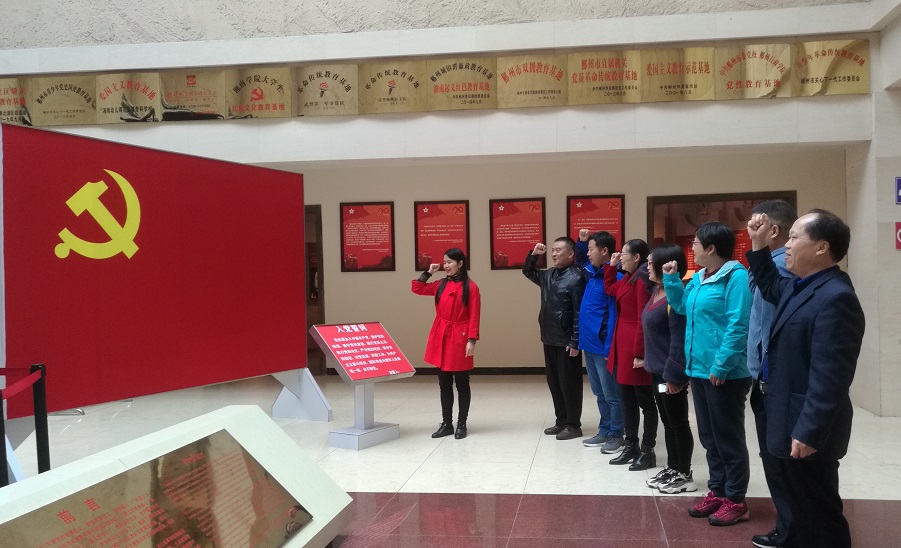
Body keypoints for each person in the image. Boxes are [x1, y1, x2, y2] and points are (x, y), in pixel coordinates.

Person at [746, 209, 864, 548]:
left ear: (821, 247)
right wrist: (758, 244)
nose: (787, 245)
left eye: (794, 238)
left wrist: (809, 430)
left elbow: (831, 376)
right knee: (797, 503)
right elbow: (769, 283)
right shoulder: (801, 287)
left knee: (819, 512)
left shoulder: (835, 297)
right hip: (783, 410)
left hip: (805, 426)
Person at [662, 222, 752, 526]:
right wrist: (672, 279)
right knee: (710, 437)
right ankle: (718, 491)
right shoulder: (700, 277)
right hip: (699, 370)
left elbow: (739, 324)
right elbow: (681, 308)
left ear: (711, 247)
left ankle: (736, 499)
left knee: (728, 437)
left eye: (696, 243)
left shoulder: (736, 277)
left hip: (725, 373)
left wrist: (721, 365)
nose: (692, 248)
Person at [745, 200, 797, 548]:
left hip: (774, 379)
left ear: (771, 229)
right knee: (774, 457)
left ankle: (790, 529)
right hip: (763, 377)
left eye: (755, 226)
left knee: (780, 461)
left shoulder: (781, 269)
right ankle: (789, 525)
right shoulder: (771, 266)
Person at [642, 244, 695, 494]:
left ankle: (684, 473)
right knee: (667, 421)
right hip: (657, 372)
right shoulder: (656, 290)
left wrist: (674, 376)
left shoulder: (675, 297)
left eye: (650, 262)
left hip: (669, 374)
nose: (646, 267)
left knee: (677, 422)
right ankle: (673, 468)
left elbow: (678, 339)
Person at [412, 248, 481, 440]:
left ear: (460, 264)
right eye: (444, 262)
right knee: (444, 383)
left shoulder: (471, 288)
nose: (446, 265)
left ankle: (462, 424)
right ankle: (447, 423)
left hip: (460, 337)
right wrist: (428, 273)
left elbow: (474, 316)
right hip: (441, 336)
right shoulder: (440, 284)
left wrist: (471, 340)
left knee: (462, 383)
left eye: (450, 262)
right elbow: (417, 288)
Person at [523, 237, 587, 440]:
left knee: (569, 384)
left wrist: (575, 341)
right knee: (555, 383)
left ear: (571, 254)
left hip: (567, 341)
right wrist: (534, 255)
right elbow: (528, 272)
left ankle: (573, 425)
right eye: (552, 250)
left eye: (558, 250)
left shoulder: (577, 277)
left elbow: (578, 312)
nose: (553, 254)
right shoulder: (549, 274)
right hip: (549, 337)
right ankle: (561, 421)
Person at [604, 239, 658, 471]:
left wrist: (639, 353)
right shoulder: (628, 278)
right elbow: (610, 289)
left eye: (624, 253)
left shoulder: (642, 280)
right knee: (627, 400)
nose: (620, 257)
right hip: (622, 346)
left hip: (635, 349)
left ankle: (647, 449)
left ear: (637, 257)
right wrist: (610, 267)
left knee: (645, 402)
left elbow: (642, 319)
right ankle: (631, 445)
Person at [574, 230, 625, 454]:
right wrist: (582, 242)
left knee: (612, 394)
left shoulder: (615, 278)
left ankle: (617, 434)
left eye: (591, 249)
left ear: (605, 251)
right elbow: (580, 259)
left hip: (604, 346)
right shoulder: (592, 275)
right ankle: (605, 430)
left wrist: (609, 347)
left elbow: (614, 316)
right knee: (600, 393)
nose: (588, 253)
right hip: (589, 344)